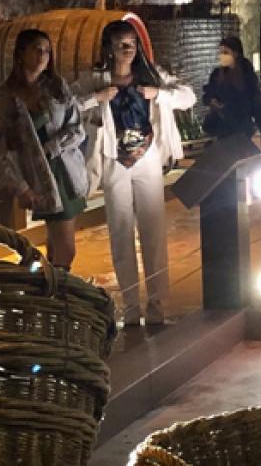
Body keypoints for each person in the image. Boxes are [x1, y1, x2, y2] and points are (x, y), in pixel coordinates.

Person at [79, 21, 196, 326]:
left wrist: (159, 94)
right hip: (113, 158)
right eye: (120, 43)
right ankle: (131, 305)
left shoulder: (151, 75)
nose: (127, 49)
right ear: (109, 47)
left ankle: (157, 304)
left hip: (147, 156)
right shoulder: (94, 79)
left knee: (153, 230)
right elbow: (68, 106)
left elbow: (188, 96)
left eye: (131, 43)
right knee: (120, 231)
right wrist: (96, 98)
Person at [0, 29, 87, 267]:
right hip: (38, 179)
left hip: (66, 173)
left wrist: (53, 147)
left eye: (47, 51)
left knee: (59, 244)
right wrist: (20, 187)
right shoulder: (7, 98)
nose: (43, 56)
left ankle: (54, 291)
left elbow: (76, 127)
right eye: (37, 50)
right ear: (21, 54)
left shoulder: (56, 86)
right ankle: (59, 294)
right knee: (66, 250)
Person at [201, 35, 261, 146]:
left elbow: (256, 103)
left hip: (242, 127)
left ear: (236, 53)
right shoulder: (217, 74)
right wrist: (212, 101)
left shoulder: (246, 75)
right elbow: (207, 94)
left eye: (226, 52)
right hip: (223, 127)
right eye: (221, 52)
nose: (222, 56)